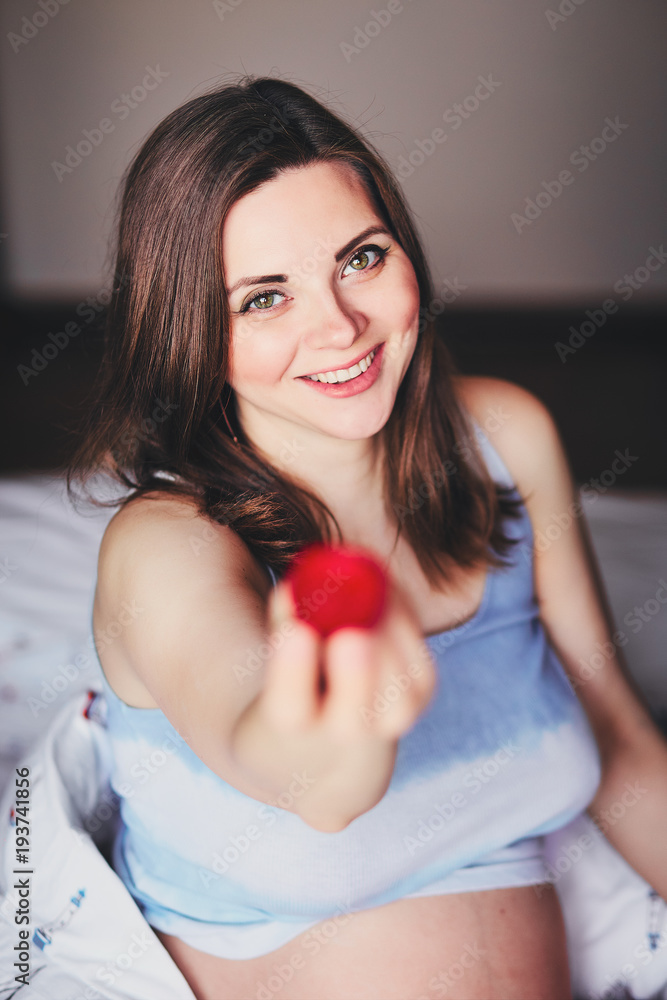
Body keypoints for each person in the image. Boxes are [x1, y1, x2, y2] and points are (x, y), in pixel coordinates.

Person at [67, 76, 667, 1000]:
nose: (340, 325)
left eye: (361, 258)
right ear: (190, 332)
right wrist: (354, 706)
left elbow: (616, 734)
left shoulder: (503, 439)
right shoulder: (166, 547)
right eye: (262, 299)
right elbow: (306, 781)